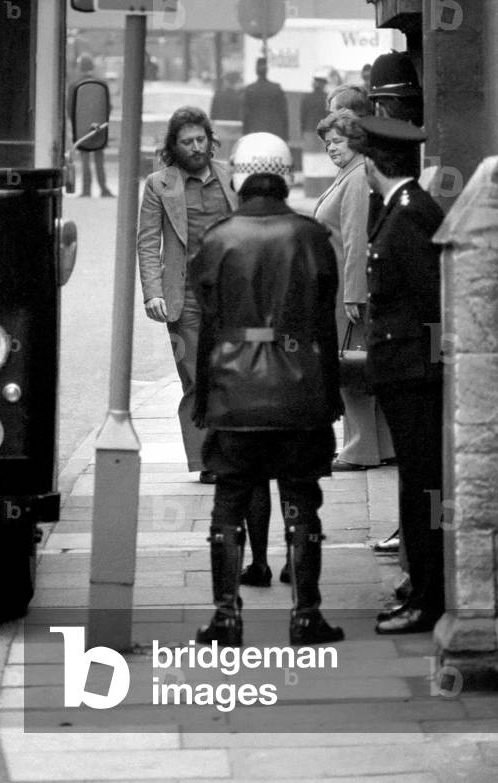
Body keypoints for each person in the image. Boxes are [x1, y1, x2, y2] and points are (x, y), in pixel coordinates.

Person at [190, 132, 344, 647]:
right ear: (284, 174)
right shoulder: (311, 235)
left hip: (234, 393)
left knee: (228, 504)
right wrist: (331, 394)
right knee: (302, 503)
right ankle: (306, 616)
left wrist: (205, 397)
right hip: (299, 391)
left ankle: (226, 618)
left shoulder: (218, 237)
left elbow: (208, 327)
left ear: (240, 174)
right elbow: (325, 326)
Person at [353, 116, 445, 635]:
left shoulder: (409, 214)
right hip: (405, 374)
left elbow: (432, 302)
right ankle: (421, 588)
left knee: (421, 489)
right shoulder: (399, 209)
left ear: (371, 164)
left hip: (415, 379)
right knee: (415, 486)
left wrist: (428, 370)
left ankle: (427, 599)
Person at [137, 108, 236, 481]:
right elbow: (148, 242)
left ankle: (233, 452)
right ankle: (207, 462)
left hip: (231, 295)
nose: (196, 148)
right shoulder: (159, 184)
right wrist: (152, 292)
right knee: (196, 379)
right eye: (187, 142)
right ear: (173, 146)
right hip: (185, 299)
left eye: (201, 140)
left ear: (210, 139)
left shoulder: (231, 176)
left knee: (231, 376)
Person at [315, 110, 395, 471]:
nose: (331, 148)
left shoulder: (358, 177)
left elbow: (356, 239)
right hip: (341, 289)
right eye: (327, 143)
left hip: (346, 292)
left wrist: (354, 294)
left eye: (337, 141)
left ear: (354, 141)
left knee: (352, 370)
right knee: (359, 368)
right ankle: (381, 446)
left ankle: (360, 449)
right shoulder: (349, 174)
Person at [68, 54, 113, 198]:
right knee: (99, 160)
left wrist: (76, 123)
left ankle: (86, 190)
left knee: (85, 159)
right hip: (99, 126)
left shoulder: (74, 85)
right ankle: (103, 189)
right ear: (92, 67)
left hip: (81, 127)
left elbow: (70, 107)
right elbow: (108, 106)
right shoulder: (102, 84)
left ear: (80, 68)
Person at [241, 57, 289, 141]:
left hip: (254, 132)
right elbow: (283, 114)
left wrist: (245, 134)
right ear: (267, 71)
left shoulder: (250, 89)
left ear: (256, 71)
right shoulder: (276, 89)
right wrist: (285, 135)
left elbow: (245, 114)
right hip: (274, 133)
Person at [300, 69, 329, 136]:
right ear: (323, 85)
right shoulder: (327, 98)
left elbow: (303, 115)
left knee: (310, 146)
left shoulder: (306, 97)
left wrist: (302, 129)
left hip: (308, 129)